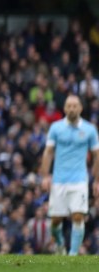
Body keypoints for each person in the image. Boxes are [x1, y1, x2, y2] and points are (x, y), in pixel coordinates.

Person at [39, 94, 99, 255]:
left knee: (78, 216)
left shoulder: (89, 130)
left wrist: (97, 181)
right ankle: (60, 245)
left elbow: (97, 154)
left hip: (79, 180)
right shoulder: (56, 128)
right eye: (69, 106)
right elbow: (48, 152)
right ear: (64, 108)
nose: (72, 109)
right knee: (56, 221)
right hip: (59, 180)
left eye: (75, 106)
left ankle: (72, 255)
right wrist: (45, 176)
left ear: (80, 108)